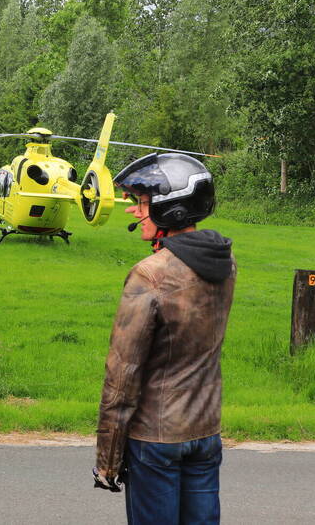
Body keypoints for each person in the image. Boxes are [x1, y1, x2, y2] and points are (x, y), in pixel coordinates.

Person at [93, 153, 236, 525]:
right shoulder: (225, 262)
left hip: (156, 439)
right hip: (205, 432)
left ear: (170, 209)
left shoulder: (150, 275)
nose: (135, 212)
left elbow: (122, 374)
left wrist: (107, 460)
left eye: (142, 202)